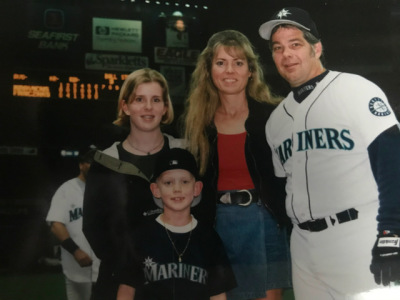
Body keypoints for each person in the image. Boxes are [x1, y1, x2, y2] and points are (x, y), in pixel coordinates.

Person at [259, 7, 400, 300]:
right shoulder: (276, 121)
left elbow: (392, 163)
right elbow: (283, 186)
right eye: (278, 48)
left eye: (295, 44)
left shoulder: (355, 90)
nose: (287, 54)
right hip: (303, 248)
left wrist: (391, 235)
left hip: (359, 236)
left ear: (317, 48)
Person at [183, 29, 292, 300]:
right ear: (208, 71)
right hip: (216, 226)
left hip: (265, 221)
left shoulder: (274, 116)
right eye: (221, 63)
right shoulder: (198, 123)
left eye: (238, 63)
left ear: (251, 71)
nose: (229, 70)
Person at [82, 68, 186, 300]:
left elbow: (203, 219)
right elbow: (94, 228)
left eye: (156, 99)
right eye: (139, 99)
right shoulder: (105, 161)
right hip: (120, 282)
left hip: (178, 280)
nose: (148, 107)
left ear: (165, 107)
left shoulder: (186, 154)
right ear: (125, 106)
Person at [116, 148, 237, 300]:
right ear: (156, 190)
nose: (177, 189)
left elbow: (218, 294)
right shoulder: (140, 236)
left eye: (185, 182)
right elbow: (126, 289)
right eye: (168, 182)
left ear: (197, 188)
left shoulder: (209, 238)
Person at [46, 149, 100, 300]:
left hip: (106, 267)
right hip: (77, 266)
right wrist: (75, 251)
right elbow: (56, 225)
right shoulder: (67, 190)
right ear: (81, 165)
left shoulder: (107, 190)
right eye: (91, 163)